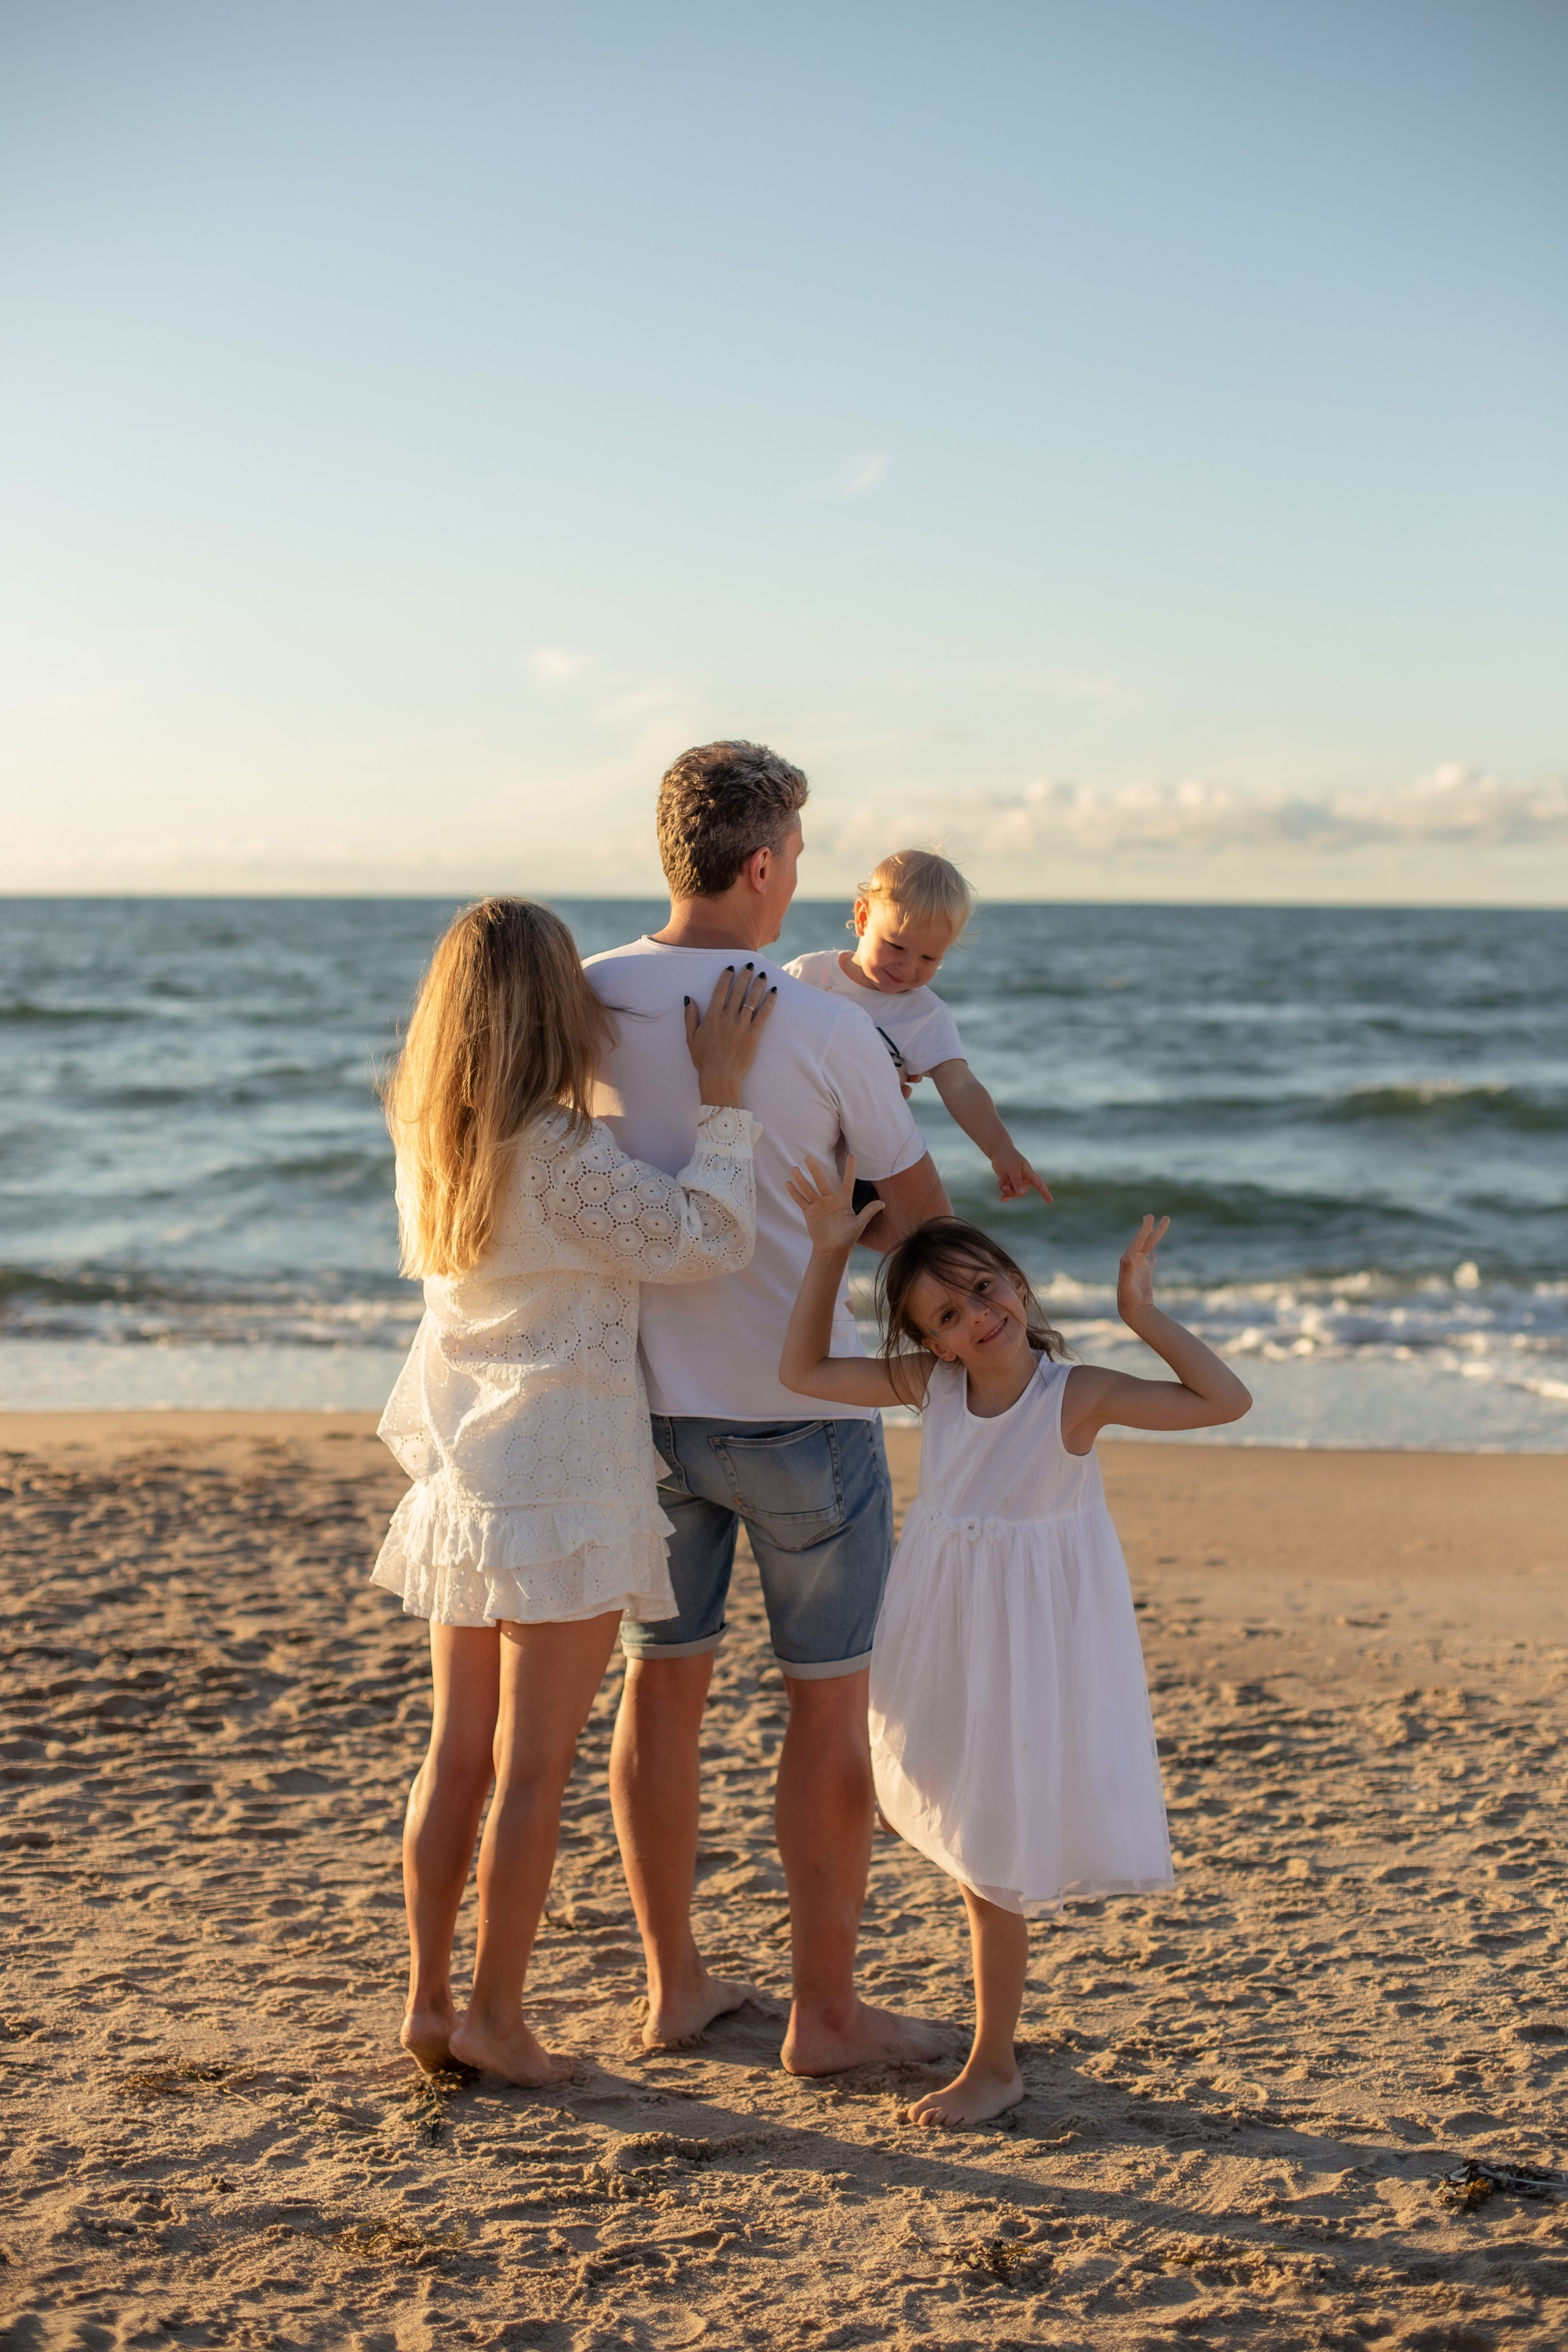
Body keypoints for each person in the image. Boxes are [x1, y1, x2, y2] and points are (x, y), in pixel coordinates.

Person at [584, 741, 953, 2073]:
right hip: (799, 1414)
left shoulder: (578, 996)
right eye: (796, 854)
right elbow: (922, 1220)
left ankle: (675, 1986)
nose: (797, 875)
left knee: (658, 1692)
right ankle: (825, 2013)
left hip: (629, 1412)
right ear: (759, 864)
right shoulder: (824, 1023)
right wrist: (848, 1220)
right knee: (822, 1708)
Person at [370, 897, 773, 2084]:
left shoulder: (434, 1141)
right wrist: (719, 1098)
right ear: (554, 1008)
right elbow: (702, 1237)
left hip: (467, 1476)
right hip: (563, 1476)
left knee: (458, 1758)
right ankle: (497, 2018)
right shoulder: (559, 1153)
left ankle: (432, 2002)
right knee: (535, 1769)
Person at [779, 1164, 1252, 2126]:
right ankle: (990, 2052)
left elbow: (1223, 1401)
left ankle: (995, 2063)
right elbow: (804, 1374)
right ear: (925, 1341)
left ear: (1016, 1280)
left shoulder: (1075, 1395)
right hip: (942, 1633)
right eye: (944, 1316)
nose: (973, 1320)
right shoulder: (933, 1387)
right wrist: (829, 1252)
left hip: (1030, 1649)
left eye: (982, 1290)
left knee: (994, 1855)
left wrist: (1141, 1312)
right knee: (959, 1824)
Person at [785, 848, 1052, 1205]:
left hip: (856, 1171)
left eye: (929, 958)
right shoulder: (808, 974)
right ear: (863, 918)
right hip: (787, 1143)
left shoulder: (924, 1014)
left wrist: (1002, 1150)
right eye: (895, 946)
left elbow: (962, 1086)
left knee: (915, 1230)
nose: (908, 968)